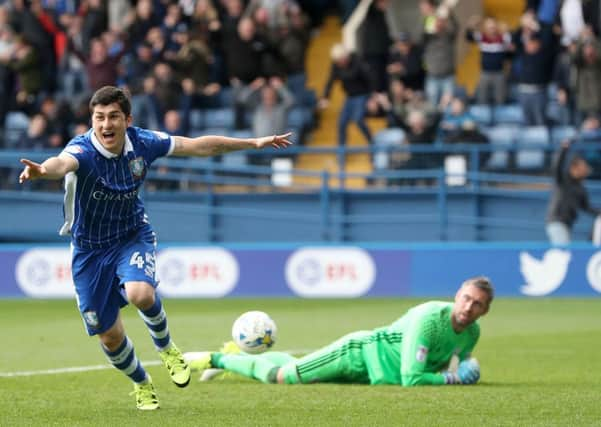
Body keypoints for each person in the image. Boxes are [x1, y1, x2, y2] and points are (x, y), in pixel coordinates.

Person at [18, 86, 292, 410]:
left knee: (140, 294)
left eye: (113, 117)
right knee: (109, 336)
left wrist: (252, 142)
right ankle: (142, 383)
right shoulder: (82, 151)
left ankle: (167, 348)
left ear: (127, 119)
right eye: (99, 118)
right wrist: (41, 171)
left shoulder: (144, 143)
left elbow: (199, 146)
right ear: (92, 121)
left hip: (131, 235)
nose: (106, 125)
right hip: (88, 251)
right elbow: (60, 164)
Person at [188, 276, 493, 386]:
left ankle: (239, 355)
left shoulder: (472, 333)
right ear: (456, 296)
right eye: (466, 298)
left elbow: (453, 362)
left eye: (477, 304)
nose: (469, 307)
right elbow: (412, 378)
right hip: (358, 355)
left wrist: (466, 367)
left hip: (376, 374)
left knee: (295, 367)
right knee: (282, 377)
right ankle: (219, 359)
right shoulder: (429, 318)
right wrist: (454, 380)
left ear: (484, 311)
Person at [546, 140, 600, 245]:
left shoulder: (581, 188)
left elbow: (586, 207)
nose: (585, 169)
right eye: (582, 167)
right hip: (557, 221)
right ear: (573, 168)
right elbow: (557, 167)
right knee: (563, 249)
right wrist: (563, 150)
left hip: (567, 223)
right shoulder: (563, 180)